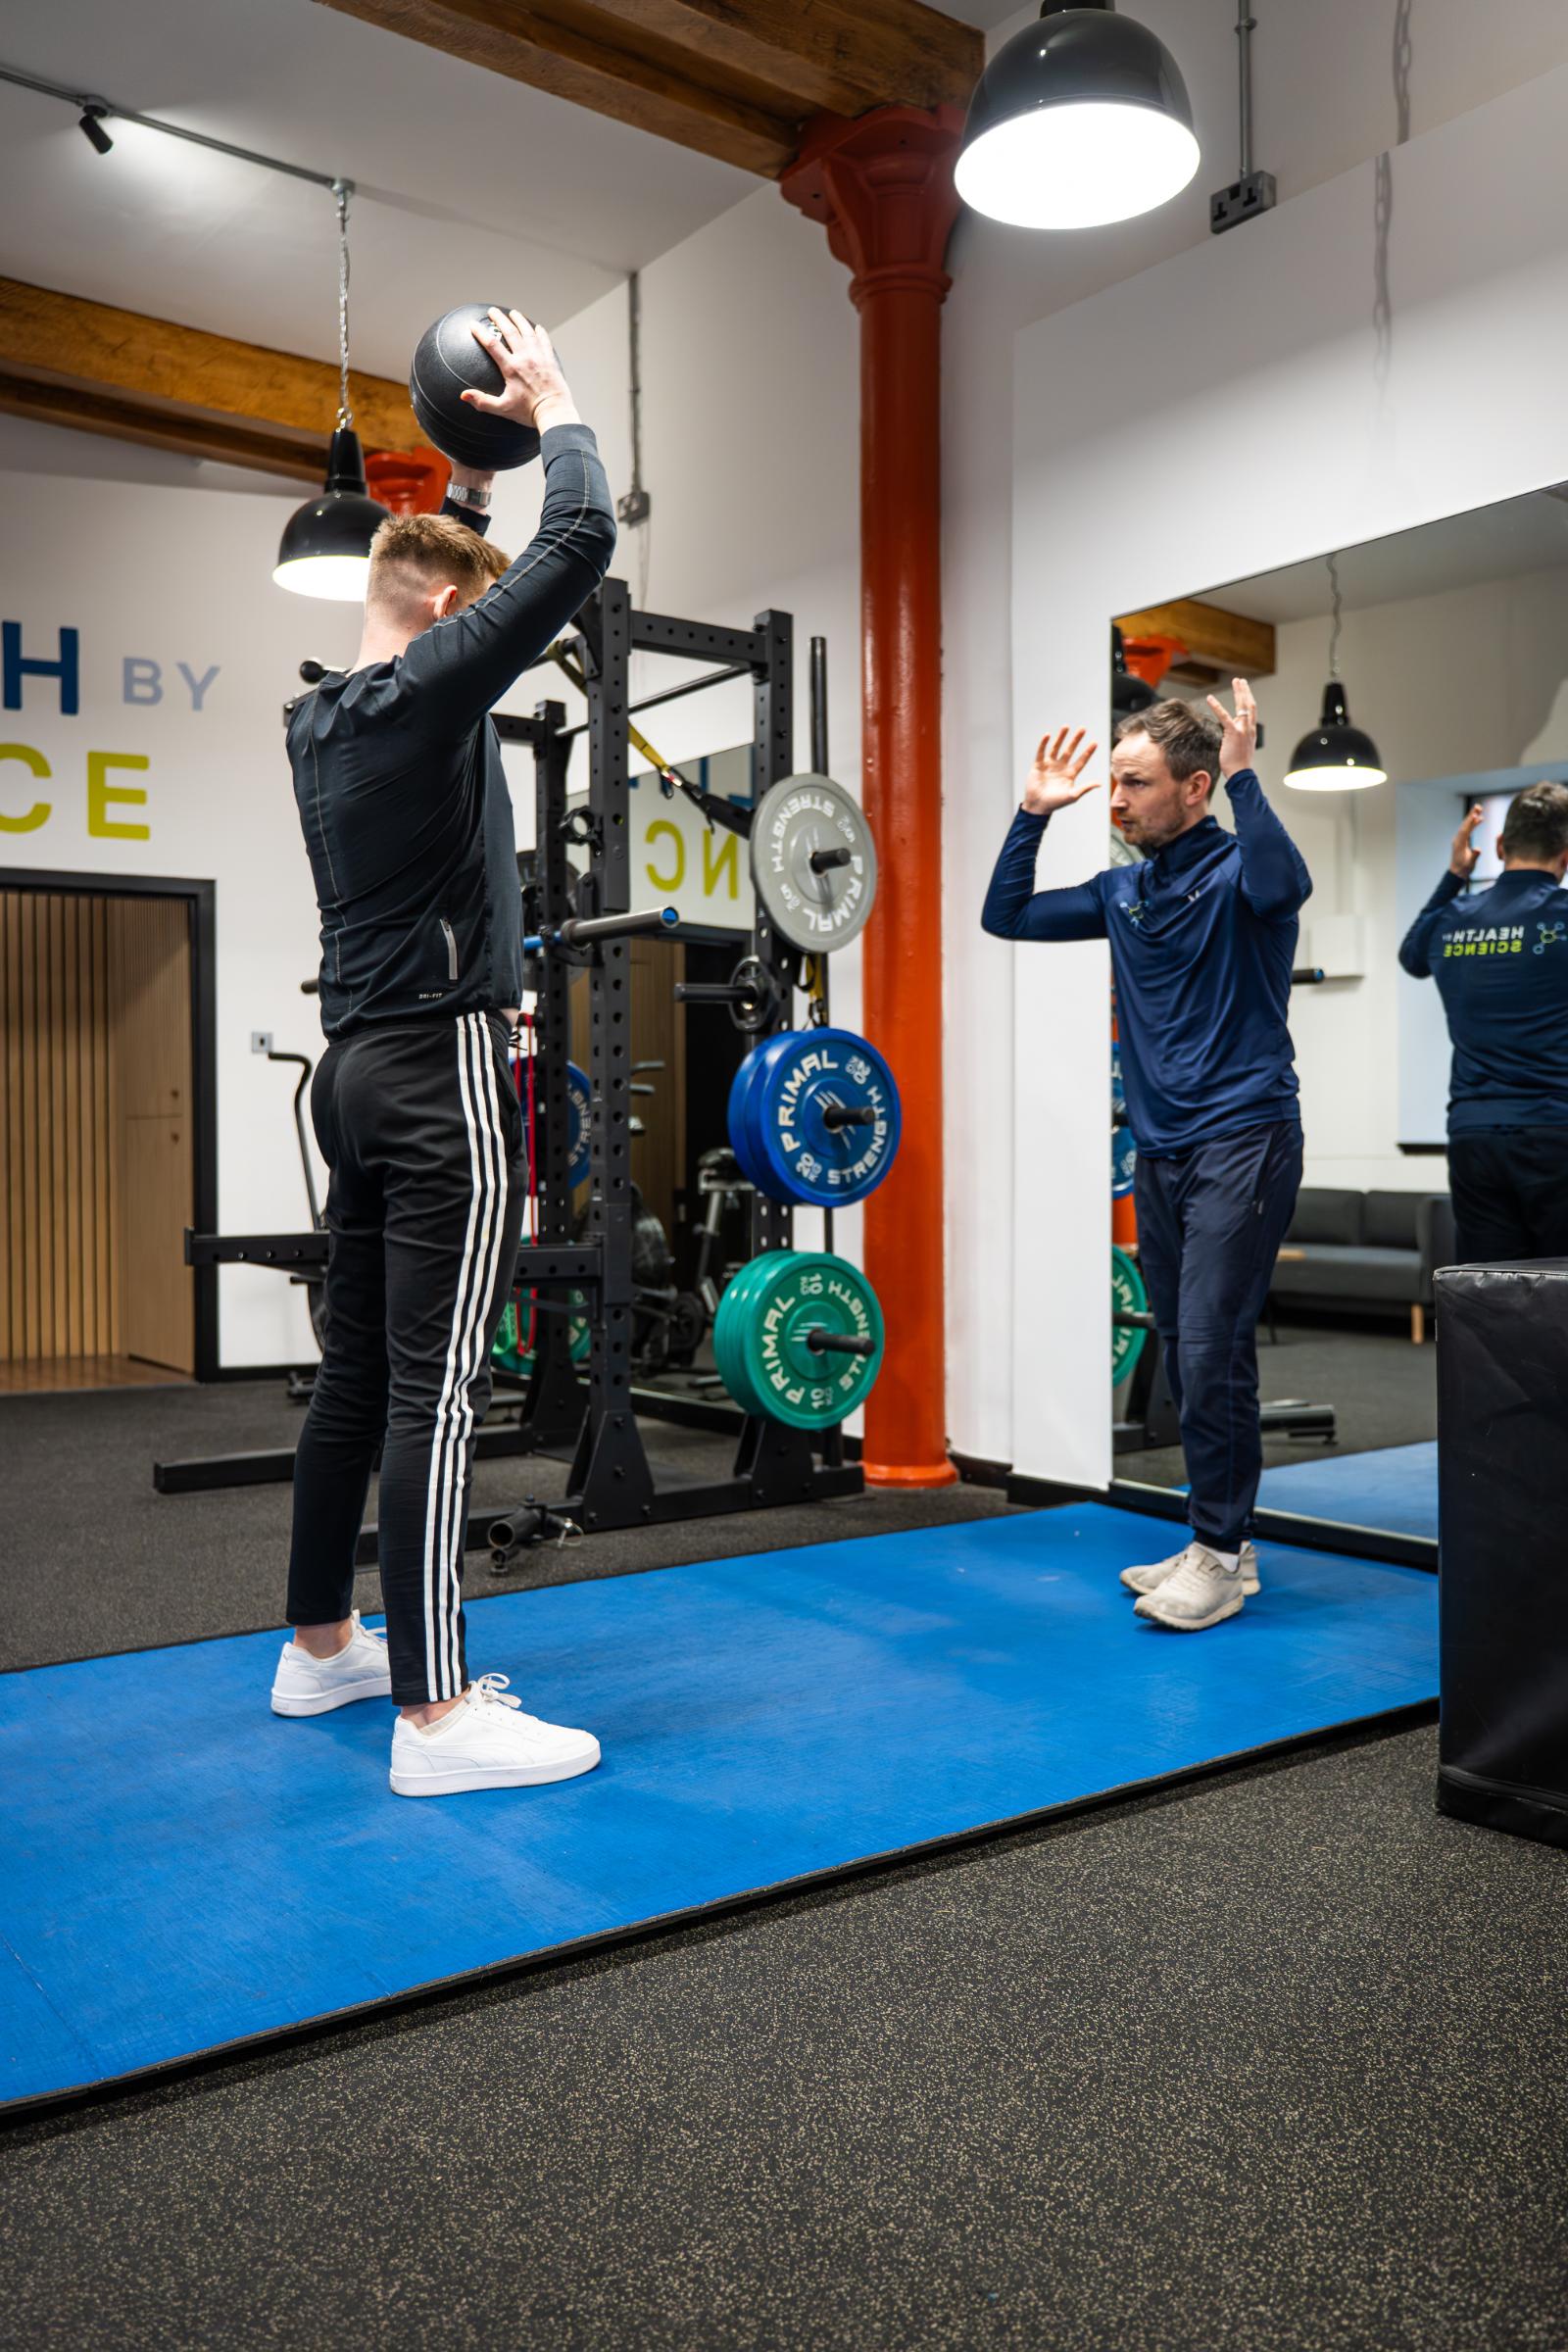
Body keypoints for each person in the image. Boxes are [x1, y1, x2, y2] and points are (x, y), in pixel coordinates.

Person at [269, 309, 617, 1795]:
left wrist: (468, 479)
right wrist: (555, 410)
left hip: (353, 1072)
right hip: (437, 1068)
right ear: (449, 617)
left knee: (355, 1373)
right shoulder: (425, 697)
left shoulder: (325, 718)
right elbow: (582, 537)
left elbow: (455, 579)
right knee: (440, 1387)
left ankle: (320, 1646)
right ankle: (434, 1713)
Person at [982, 683, 1311, 1633]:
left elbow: (1285, 885)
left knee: (1207, 1346)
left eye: (1135, 783)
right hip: (1162, 1151)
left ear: (1194, 787)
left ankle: (1217, 1553)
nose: (1116, 800)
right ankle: (1224, 1543)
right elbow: (1008, 915)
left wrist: (1246, 778)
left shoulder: (1243, 875)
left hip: (1245, 1137)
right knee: (1189, 1349)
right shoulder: (1123, 892)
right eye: (1114, 782)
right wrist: (1032, 813)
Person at [1398, 783, 1568, 1264]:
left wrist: (1455, 874)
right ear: (1565, 856)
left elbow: (1412, 957)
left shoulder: (1455, 916)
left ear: (1498, 847)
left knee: (1491, 1288)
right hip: (1555, 1131)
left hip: (1474, 1138)